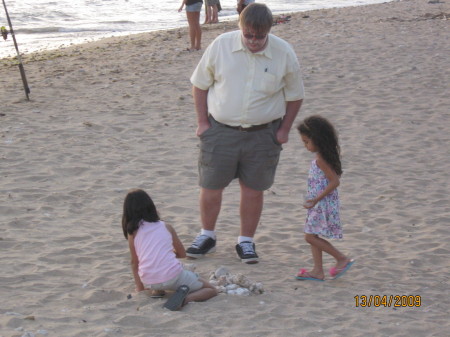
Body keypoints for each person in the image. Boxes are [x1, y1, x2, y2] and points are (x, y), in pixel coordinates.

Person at [187, 3, 304, 264]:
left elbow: (295, 96)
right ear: (241, 27)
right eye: (248, 34)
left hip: (263, 135)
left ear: (268, 31)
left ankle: (246, 241)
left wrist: (284, 130)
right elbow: (199, 85)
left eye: (259, 36)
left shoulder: (283, 52)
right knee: (210, 186)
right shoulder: (221, 45)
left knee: (253, 190)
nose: (253, 41)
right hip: (219, 131)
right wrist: (202, 122)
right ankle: (207, 236)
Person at [122, 189, 217, 310]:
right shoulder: (166, 226)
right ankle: (185, 299)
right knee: (211, 289)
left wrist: (140, 288)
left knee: (155, 268)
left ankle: (158, 291)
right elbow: (182, 253)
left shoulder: (133, 232)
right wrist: (167, 254)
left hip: (148, 280)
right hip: (172, 276)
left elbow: (135, 262)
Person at [296, 115, 354, 281]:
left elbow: (335, 181)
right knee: (313, 235)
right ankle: (317, 271)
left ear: (317, 139)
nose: (305, 146)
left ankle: (341, 258)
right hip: (318, 203)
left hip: (322, 203)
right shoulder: (322, 157)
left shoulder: (321, 159)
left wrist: (316, 199)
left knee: (309, 236)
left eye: (307, 142)